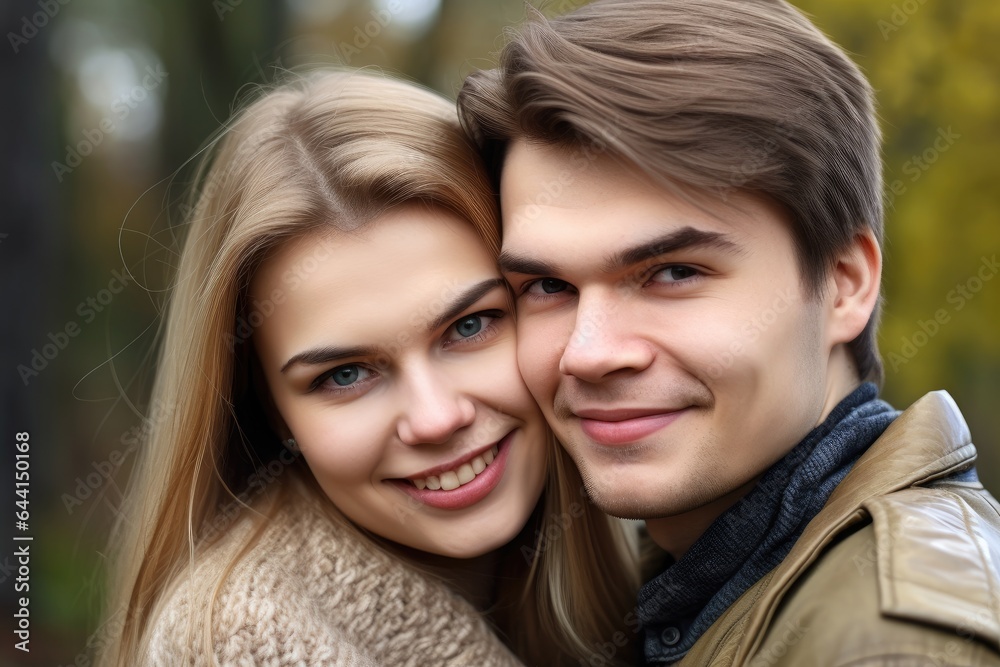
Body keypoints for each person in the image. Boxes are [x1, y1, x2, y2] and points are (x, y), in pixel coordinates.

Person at [457, 0, 1000, 664]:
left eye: (673, 272)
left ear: (844, 283)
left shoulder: (893, 646)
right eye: (547, 287)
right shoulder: (694, 579)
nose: (590, 352)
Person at [98, 70, 638, 666]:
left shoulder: (652, 540)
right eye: (345, 375)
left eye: (469, 326)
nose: (435, 419)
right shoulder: (246, 643)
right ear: (275, 413)